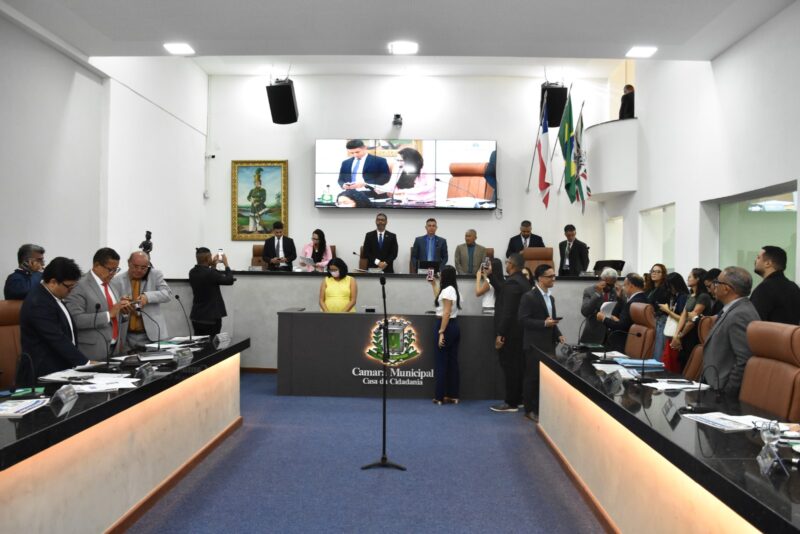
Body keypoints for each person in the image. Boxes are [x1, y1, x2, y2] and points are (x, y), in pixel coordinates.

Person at [17, 257, 88, 386]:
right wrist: (85, 363)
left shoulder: (53, 296)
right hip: (44, 374)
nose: (71, 290)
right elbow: (56, 337)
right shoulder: (38, 302)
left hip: (61, 369)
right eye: (69, 286)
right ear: (53, 282)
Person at [702, 267, 761, 395]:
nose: (714, 286)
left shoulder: (740, 314)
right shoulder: (733, 309)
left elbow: (744, 360)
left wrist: (728, 392)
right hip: (714, 384)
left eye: (717, 282)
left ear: (726, 288)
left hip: (722, 390)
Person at [64, 248, 131, 361]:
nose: (113, 274)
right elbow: (75, 319)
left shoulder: (113, 284)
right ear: (96, 265)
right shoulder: (79, 285)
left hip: (115, 349)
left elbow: (115, 315)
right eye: (110, 269)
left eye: (116, 270)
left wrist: (123, 311)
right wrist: (109, 315)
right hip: (92, 350)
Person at [519, 264, 566, 422]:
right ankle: (529, 410)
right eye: (550, 276)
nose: (553, 279)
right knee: (532, 378)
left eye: (554, 276)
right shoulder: (529, 297)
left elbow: (551, 320)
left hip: (548, 344)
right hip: (534, 344)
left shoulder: (551, 298)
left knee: (545, 379)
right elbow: (523, 320)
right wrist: (544, 324)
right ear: (540, 278)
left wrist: (558, 334)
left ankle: (541, 409)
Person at [490, 253, 531, 413]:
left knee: (510, 367)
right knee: (518, 366)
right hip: (520, 332)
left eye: (507, 262)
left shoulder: (513, 283)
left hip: (510, 334)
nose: (505, 265)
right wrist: (491, 276)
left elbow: (508, 312)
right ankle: (518, 399)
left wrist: (500, 333)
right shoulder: (523, 281)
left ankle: (511, 402)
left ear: (512, 265)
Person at [111, 251, 171, 351]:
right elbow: (112, 305)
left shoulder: (155, 275)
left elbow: (167, 294)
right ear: (128, 263)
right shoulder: (116, 280)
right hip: (126, 336)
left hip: (152, 335)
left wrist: (148, 297)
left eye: (143, 268)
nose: (139, 270)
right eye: (135, 266)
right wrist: (121, 305)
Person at [430, 265, 461, 405]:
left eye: (441, 273)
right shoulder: (452, 290)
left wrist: (441, 332)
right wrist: (433, 284)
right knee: (452, 362)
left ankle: (439, 396)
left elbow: (446, 312)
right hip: (453, 326)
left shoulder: (448, 291)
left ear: (445, 276)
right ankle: (453, 395)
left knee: (441, 362)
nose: (439, 275)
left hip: (445, 326)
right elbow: (441, 303)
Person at [671, 268, 712, 370]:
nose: (687, 279)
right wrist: (676, 335)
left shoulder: (703, 296)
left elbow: (692, 320)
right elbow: (684, 315)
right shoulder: (690, 295)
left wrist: (680, 336)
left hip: (694, 335)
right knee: (682, 364)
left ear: (697, 279)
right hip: (685, 334)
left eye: (690, 277)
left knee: (690, 365)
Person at [189, 247, 235, 336]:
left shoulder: (192, 272)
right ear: (207, 258)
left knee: (199, 341)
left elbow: (209, 278)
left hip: (197, 316)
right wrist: (226, 264)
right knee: (212, 343)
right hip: (211, 317)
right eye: (210, 257)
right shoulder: (210, 273)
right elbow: (229, 280)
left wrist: (213, 266)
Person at [597, 273, 648, 353]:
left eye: (624, 285)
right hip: (637, 341)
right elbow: (627, 322)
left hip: (625, 342)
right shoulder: (644, 298)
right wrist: (619, 298)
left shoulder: (633, 302)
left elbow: (621, 327)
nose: (623, 288)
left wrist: (603, 318)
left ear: (631, 285)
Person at [751, 246, 800, 324]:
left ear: (768, 263)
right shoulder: (794, 287)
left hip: (768, 332)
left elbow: (753, 322)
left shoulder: (764, 289)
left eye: (758, 257)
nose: (755, 261)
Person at [580, 267, 622, 344]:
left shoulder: (616, 291)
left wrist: (620, 298)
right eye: (608, 284)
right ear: (601, 280)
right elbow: (585, 312)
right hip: (594, 334)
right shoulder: (589, 291)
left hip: (611, 335)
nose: (610, 288)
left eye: (612, 285)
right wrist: (597, 294)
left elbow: (622, 313)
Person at [657, 272, 689, 373]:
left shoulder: (683, 297)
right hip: (672, 335)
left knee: (672, 365)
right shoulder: (675, 296)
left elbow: (682, 318)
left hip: (677, 335)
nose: (669, 289)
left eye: (670, 286)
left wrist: (668, 311)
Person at [646, 263, 670, 359]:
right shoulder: (649, 289)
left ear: (663, 274)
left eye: (658, 272)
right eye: (653, 271)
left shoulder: (665, 290)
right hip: (650, 320)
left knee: (658, 349)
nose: (654, 273)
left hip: (660, 321)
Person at [246, 168, 268, 232]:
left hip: (260, 206)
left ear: (260, 183)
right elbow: (248, 197)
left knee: (259, 218)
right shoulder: (252, 190)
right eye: (256, 182)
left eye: (258, 182)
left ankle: (260, 229)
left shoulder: (263, 190)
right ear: (254, 183)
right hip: (253, 206)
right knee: (252, 218)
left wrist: (258, 203)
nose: (257, 183)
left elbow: (264, 199)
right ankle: (251, 229)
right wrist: (251, 200)